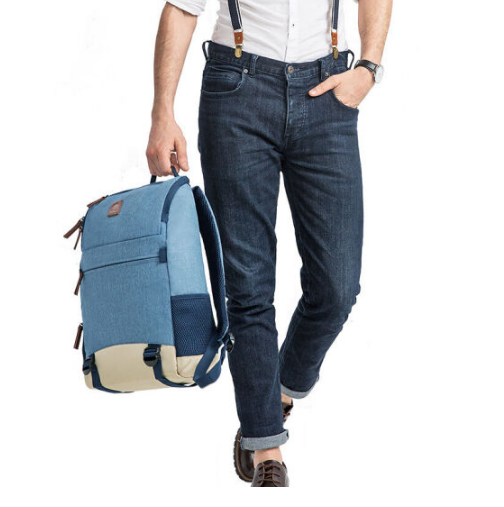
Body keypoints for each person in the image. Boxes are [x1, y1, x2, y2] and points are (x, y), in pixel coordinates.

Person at [146, 0, 392, 487]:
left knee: (337, 288)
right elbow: (181, 8)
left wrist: (369, 67)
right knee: (248, 287)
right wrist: (162, 114)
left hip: (327, 91)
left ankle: (275, 392)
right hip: (236, 90)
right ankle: (265, 448)